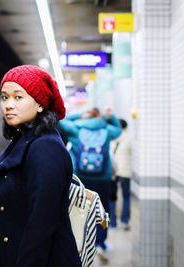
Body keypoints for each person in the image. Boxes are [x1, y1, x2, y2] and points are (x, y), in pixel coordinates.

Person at [0, 65, 82, 267]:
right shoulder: (24, 141)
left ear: (40, 104)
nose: (8, 105)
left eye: (18, 97)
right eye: (4, 97)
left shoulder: (45, 148)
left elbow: (42, 224)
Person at [58, 107, 121, 263]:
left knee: (79, 210)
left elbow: (61, 120)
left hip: (81, 178)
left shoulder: (76, 128)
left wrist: (80, 114)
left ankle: (79, 244)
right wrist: (110, 116)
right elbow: (119, 130)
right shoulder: (106, 130)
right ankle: (99, 243)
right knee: (101, 209)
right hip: (103, 178)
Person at [109, 119, 132, 230]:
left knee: (112, 197)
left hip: (114, 172)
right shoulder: (129, 138)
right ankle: (125, 221)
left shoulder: (112, 138)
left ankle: (112, 222)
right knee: (126, 196)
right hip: (126, 172)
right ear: (126, 127)